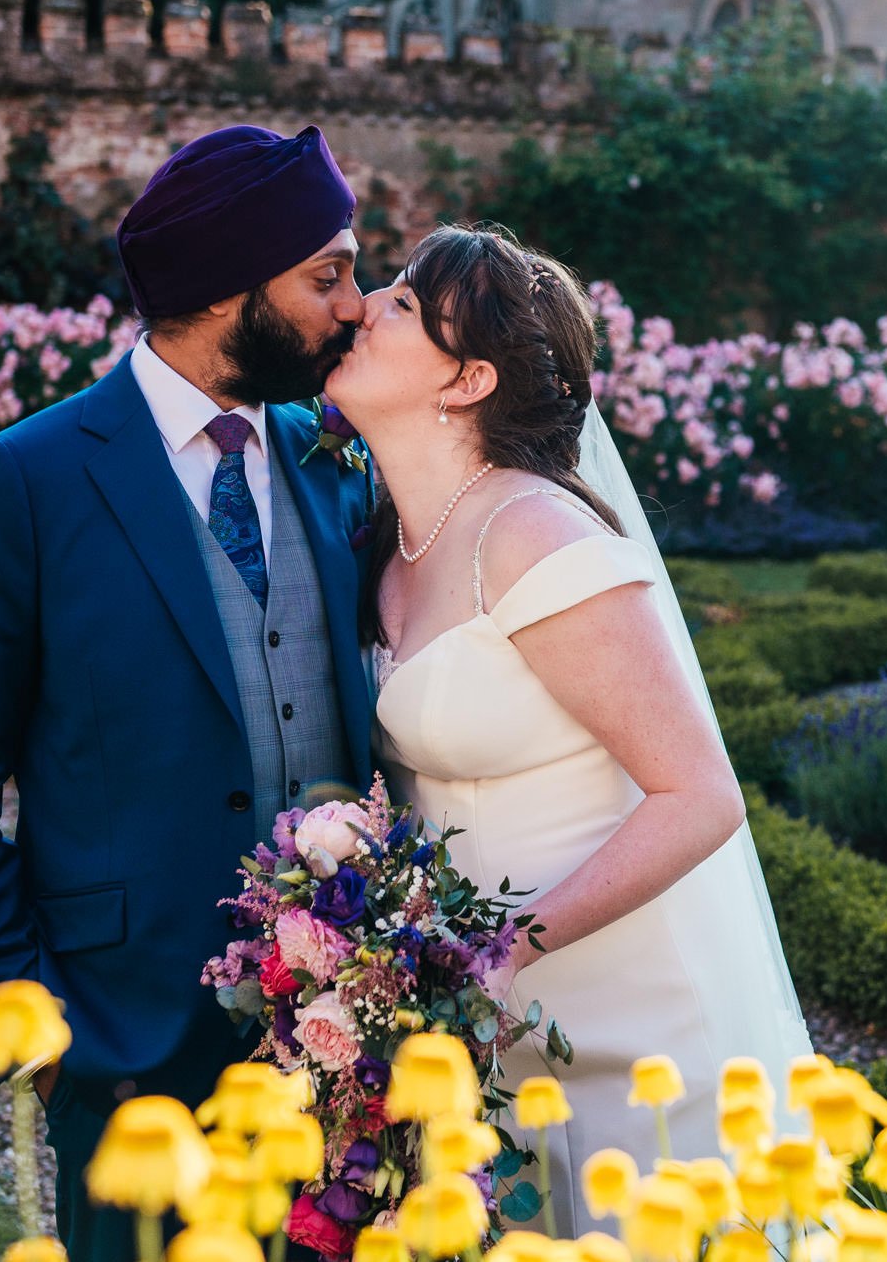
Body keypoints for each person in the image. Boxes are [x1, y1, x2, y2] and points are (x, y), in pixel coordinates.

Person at [0, 123, 381, 1262]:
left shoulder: (336, 458)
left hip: (346, 1046)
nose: (355, 304)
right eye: (328, 274)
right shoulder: (28, 478)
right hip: (125, 1049)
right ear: (226, 287)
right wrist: (30, 1012)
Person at [327, 222, 812, 1181]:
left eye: (406, 306)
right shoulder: (386, 534)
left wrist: (511, 948)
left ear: (466, 382)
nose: (364, 305)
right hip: (488, 1034)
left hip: (631, 1035)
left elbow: (701, 794)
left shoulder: (535, 534)